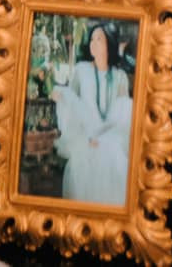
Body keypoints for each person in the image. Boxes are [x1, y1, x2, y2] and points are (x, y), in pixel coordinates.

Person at [56, 22, 134, 205]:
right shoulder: (81, 70)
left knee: (115, 161)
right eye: (92, 39)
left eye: (99, 39)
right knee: (83, 164)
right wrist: (85, 137)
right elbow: (71, 105)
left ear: (109, 44)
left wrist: (105, 138)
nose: (93, 43)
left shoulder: (120, 76)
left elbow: (123, 115)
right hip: (85, 139)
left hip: (111, 139)